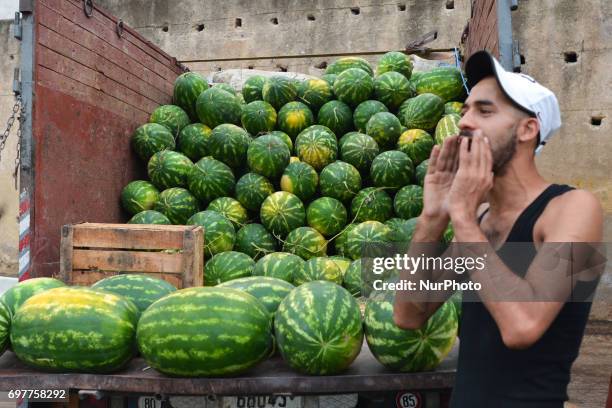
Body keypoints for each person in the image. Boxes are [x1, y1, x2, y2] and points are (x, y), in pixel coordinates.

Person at [392, 50, 603, 407]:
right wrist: (433, 218)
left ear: (527, 129)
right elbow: (408, 314)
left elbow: (522, 327)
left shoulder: (573, 208)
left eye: (484, 111)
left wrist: (461, 215)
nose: (464, 122)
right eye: (465, 111)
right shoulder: (481, 220)